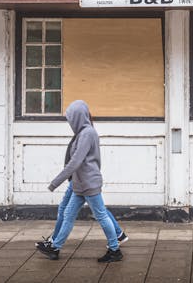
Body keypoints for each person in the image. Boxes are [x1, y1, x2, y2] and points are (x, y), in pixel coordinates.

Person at [36, 100, 124, 263]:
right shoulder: (83, 133)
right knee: (68, 214)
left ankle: (114, 250)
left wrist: (55, 182)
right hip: (80, 184)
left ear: (77, 117)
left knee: (102, 216)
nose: (70, 122)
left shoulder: (87, 133)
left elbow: (76, 161)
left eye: (71, 119)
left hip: (89, 184)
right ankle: (55, 247)